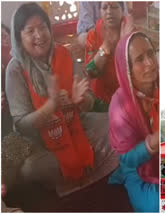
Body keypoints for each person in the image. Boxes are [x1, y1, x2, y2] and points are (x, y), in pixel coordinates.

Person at [5, 3, 118, 197]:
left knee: (117, 124)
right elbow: (22, 125)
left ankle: (96, 171)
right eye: (30, 31)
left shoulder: (63, 54)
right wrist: (50, 107)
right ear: (19, 37)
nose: (39, 35)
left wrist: (81, 101)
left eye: (42, 27)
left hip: (74, 123)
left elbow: (87, 99)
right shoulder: (15, 70)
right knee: (31, 168)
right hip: (38, 140)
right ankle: (73, 174)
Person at [108, 32, 159, 212]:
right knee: (160, 205)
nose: (150, 63)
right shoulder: (120, 105)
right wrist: (153, 142)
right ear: (126, 68)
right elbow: (128, 159)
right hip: (140, 172)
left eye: (151, 54)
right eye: (139, 59)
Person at [85, 2, 134, 108]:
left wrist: (123, 44)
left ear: (122, 10)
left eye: (114, 7)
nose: (109, 11)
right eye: (104, 7)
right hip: (101, 101)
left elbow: (135, 73)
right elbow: (90, 73)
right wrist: (106, 46)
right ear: (100, 11)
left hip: (128, 99)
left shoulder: (132, 34)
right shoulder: (93, 35)